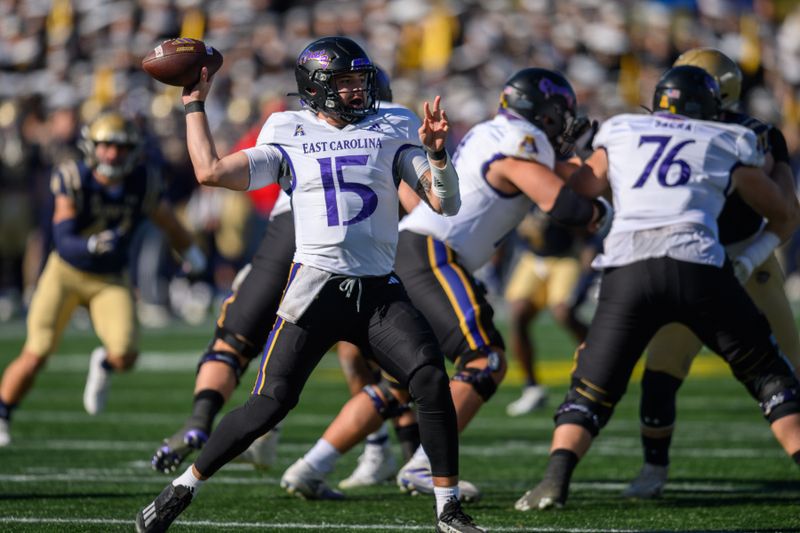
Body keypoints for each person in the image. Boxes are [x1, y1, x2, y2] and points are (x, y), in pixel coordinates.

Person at [135, 36, 487, 533]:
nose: (356, 91)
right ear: (317, 87)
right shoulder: (286, 127)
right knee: (268, 405)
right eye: (344, 83)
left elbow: (444, 204)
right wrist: (193, 105)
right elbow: (210, 171)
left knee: (429, 378)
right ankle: (181, 489)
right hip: (315, 287)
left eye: (359, 81)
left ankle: (447, 509)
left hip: (378, 291)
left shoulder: (395, 124)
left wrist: (437, 155)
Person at [278, 67, 611, 501]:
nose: (563, 125)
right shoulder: (520, 142)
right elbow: (562, 205)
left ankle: (310, 466)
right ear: (543, 113)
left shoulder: (499, 134)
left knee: (401, 382)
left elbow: (553, 179)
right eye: (558, 115)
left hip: (415, 249)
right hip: (433, 251)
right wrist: (602, 212)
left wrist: (577, 167)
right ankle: (424, 466)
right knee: (484, 359)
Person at [514, 65, 800, 513]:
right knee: (769, 376)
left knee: (590, 389)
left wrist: (578, 159)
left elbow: (585, 187)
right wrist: (779, 164)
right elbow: (780, 208)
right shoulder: (726, 138)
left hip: (629, 268)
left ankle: (554, 481)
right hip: (698, 264)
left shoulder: (623, 128)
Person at [150, 67, 411, 491]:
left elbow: (214, 171)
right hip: (330, 247)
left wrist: (193, 104)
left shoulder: (297, 128)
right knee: (388, 359)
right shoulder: (385, 131)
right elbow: (418, 205)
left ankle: (200, 421)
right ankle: (391, 450)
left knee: (236, 343)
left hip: (283, 241)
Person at [623, 48, 800, 499]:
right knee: (661, 370)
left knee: (791, 368)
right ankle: (653, 468)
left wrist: (747, 258)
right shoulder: (655, 131)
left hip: (746, 256)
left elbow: (786, 214)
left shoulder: (752, 135)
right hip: (689, 260)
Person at [0, 111, 205, 446]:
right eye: (106, 146)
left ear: (133, 151)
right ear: (91, 147)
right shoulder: (74, 177)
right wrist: (90, 244)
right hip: (64, 273)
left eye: (121, 147)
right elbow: (62, 236)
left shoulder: (144, 182)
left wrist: (193, 256)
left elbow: (169, 222)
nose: (113, 154)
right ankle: (3, 413)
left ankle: (103, 363)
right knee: (36, 351)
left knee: (126, 354)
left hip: (109, 277)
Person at [504, 210, 590, 416]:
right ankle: (531, 387)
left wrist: (588, 269)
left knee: (564, 313)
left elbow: (587, 232)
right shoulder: (520, 186)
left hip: (566, 257)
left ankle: (600, 363)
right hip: (533, 258)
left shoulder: (562, 184)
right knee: (518, 314)